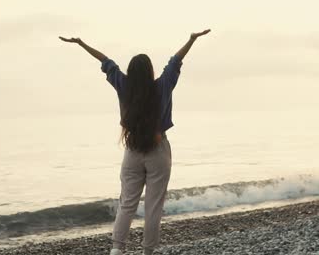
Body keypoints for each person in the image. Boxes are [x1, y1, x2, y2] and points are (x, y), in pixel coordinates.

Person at [59, 29, 210, 255]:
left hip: (132, 150)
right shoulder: (162, 85)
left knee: (127, 204)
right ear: (150, 71)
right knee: (153, 206)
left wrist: (81, 44)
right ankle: (147, 252)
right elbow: (175, 61)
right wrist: (191, 40)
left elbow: (106, 62)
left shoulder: (124, 85)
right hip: (158, 150)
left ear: (131, 71)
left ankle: (117, 250)